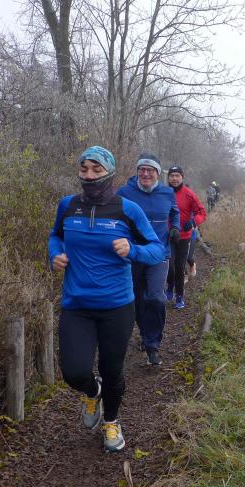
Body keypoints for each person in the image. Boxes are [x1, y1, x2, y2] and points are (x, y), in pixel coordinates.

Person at [48, 146, 165, 453]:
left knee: (113, 370)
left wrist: (133, 250)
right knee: (74, 372)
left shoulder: (128, 210)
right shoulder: (68, 206)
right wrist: (55, 254)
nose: (89, 176)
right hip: (77, 305)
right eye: (84, 169)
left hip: (117, 306)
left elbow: (157, 250)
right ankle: (92, 390)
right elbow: (55, 235)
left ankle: (111, 421)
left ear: (109, 173)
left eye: (96, 170)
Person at [117, 153, 180, 366]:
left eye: (150, 170)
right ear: (137, 172)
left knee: (155, 297)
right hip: (133, 254)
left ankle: (153, 344)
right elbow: (112, 216)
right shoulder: (124, 193)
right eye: (142, 169)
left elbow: (175, 212)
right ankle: (145, 334)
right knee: (136, 300)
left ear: (157, 173)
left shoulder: (167, 192)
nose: (145, 173)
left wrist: (175, 227)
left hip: (159, 253)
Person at [165, 166, 206, 309]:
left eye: (177, 175)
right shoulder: (163, 192)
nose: (174, 178)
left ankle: (179, 296)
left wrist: (194, 222)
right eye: (172, 176)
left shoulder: (189, 194)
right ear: (168, 178)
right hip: (168, 235)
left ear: (182, 177)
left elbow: (202, 212)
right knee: (169, 266)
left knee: (180, 266)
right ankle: (170, 286)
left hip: (184, 237)